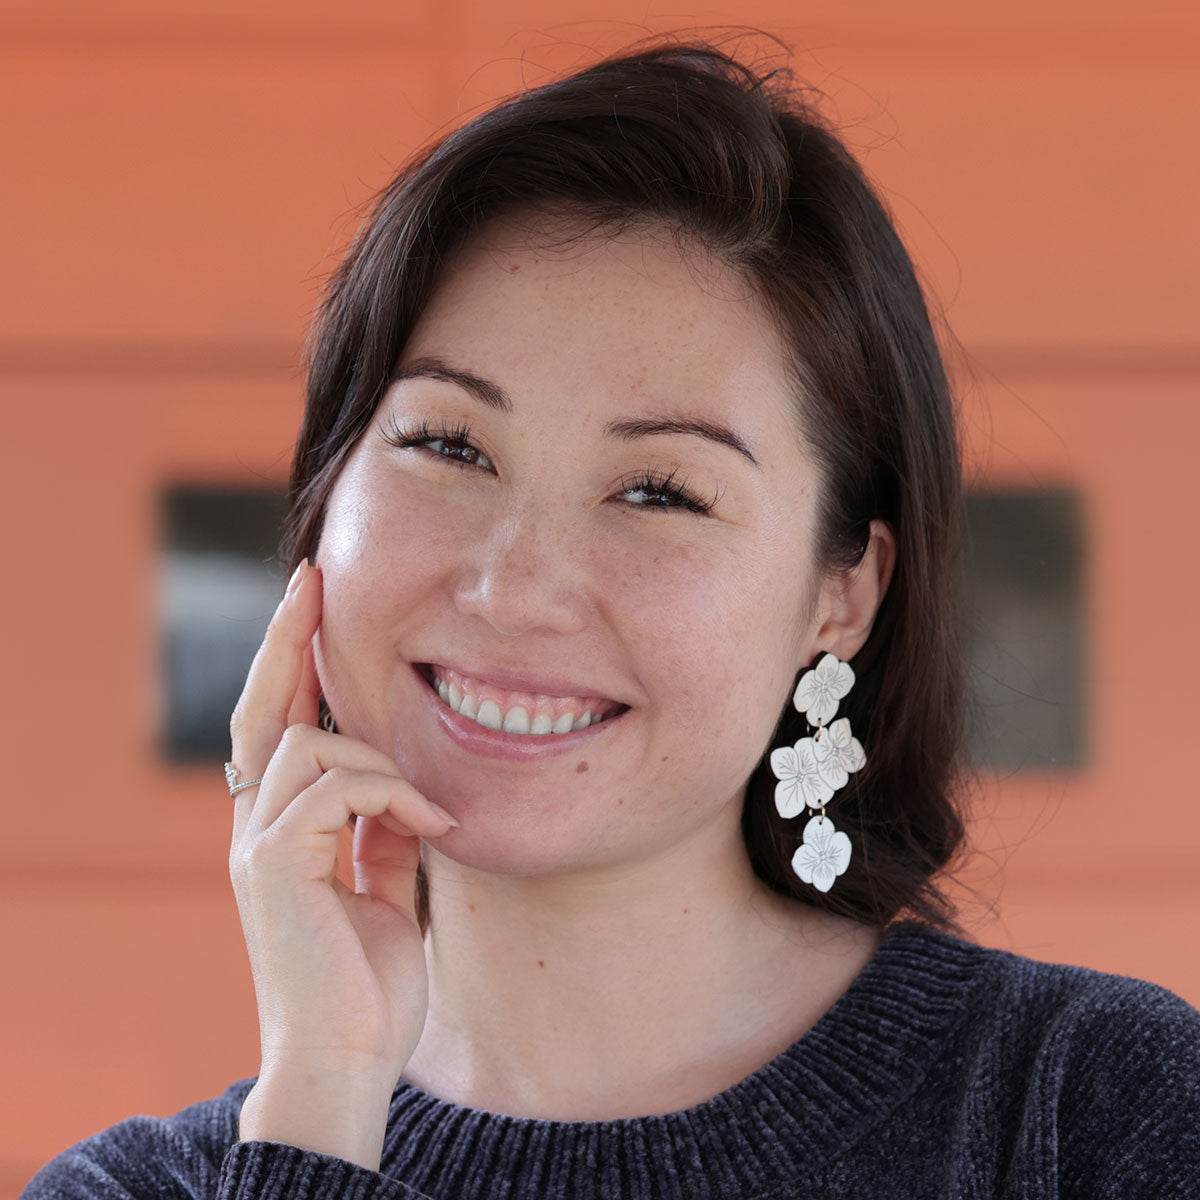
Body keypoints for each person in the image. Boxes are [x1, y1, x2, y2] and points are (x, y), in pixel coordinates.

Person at [23, 35, 1200, 1200]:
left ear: (844, 593)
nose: (512, 587)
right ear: (327, 492)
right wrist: (325, 1107)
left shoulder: (1100, 1114)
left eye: (659, 491)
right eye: (446, 444)